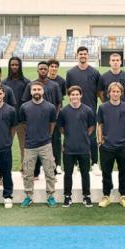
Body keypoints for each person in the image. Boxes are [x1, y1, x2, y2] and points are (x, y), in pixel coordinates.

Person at [18, 81, 58, 208]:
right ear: (30, 92)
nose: (36, 92)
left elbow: (52, 124)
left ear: (43, 91)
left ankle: (50, 196)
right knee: (28, 173)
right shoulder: (24, 107)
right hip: (30, 145)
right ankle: (28, 196)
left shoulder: (50, 107)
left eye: (38, 90)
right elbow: (24, 124)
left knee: (49, 171)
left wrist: (46, 136)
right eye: (34, 90)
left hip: (45, 144)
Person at [21, 61, 62, 179]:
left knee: (52, 144)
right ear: (37, 70)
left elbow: (59, 102)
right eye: (41, 69)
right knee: (35, 146)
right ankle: (36, 172)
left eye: (45, 69)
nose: (43, 71)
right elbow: (25, 102)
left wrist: (55, 116)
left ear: (48, 70)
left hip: (50, 121)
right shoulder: (31, 85)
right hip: (35, 122)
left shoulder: (54, 85)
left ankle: (53, 170)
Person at [97, 82, 125, 208]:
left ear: (121, 93)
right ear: (109, 93)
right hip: (107, 146)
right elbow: (100, 124)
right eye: (113, 91)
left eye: (118, 92)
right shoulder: (102, 107)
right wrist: (100, 140)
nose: (115, 94)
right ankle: (106, 195)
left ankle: (123, 195)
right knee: (106, 172)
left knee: (124, 171)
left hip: (123, 146)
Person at [66, 46, 101, 175]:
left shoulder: (95, 72)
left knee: (92, 137)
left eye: (85, 54)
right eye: (81, 53)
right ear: (77, 55)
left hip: (91, 109)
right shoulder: (71, 73)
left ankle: (95, 163)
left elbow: (98, 92)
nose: (83, 56)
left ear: (88, 55)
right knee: (75, 137)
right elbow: (68, 92)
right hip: (74, 110)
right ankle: (75, 164)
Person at [58, 86, 96, 208]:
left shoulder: (88, 110)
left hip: (84, 148)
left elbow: (91, 127)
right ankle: (67, 196)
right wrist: (70, 136)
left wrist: (83, 136)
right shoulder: (64, 111)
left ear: (81, 95)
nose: (74, 96)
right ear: (69, 96)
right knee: (68, 173)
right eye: (72, 94)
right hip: (69, 148)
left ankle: (86, 196)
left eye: (76, 94)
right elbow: (61, 128)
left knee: (85, 173)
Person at [3, 56, 31, 167]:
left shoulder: (27, 83)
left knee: (24, 147)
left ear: (20, 66)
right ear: (9, 66)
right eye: (12, 65)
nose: (14, 67)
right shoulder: (4, 83)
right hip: (7, 121)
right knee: (5, 147)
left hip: (22, 121)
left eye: (16, 65)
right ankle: (4, 171)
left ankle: (25, 170)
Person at [47, 59, 67, 175]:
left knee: (57, 140)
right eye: (52, 66)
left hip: (58, 114)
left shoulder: (61, 81)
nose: (53, 68)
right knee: (44, 140)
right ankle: (43, 165)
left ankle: (58, 165)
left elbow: (62, 97)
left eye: (55, 66)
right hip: (44, 115)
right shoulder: (43, 80)